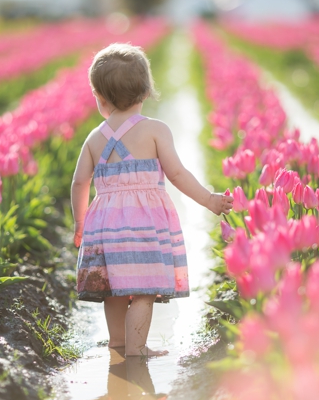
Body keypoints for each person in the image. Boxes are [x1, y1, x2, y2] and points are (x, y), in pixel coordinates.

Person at [70, 43, 232, 358]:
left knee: (113, 290)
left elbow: (79, 182)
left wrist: (80, 222)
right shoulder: (156, 131)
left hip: (105, 227)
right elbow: (178, 175)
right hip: (144, 224)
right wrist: (209, 200)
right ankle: (137, 348)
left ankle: (117, 343)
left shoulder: (94, 138)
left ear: (100, 98)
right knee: (143, 289)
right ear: (145, 92)